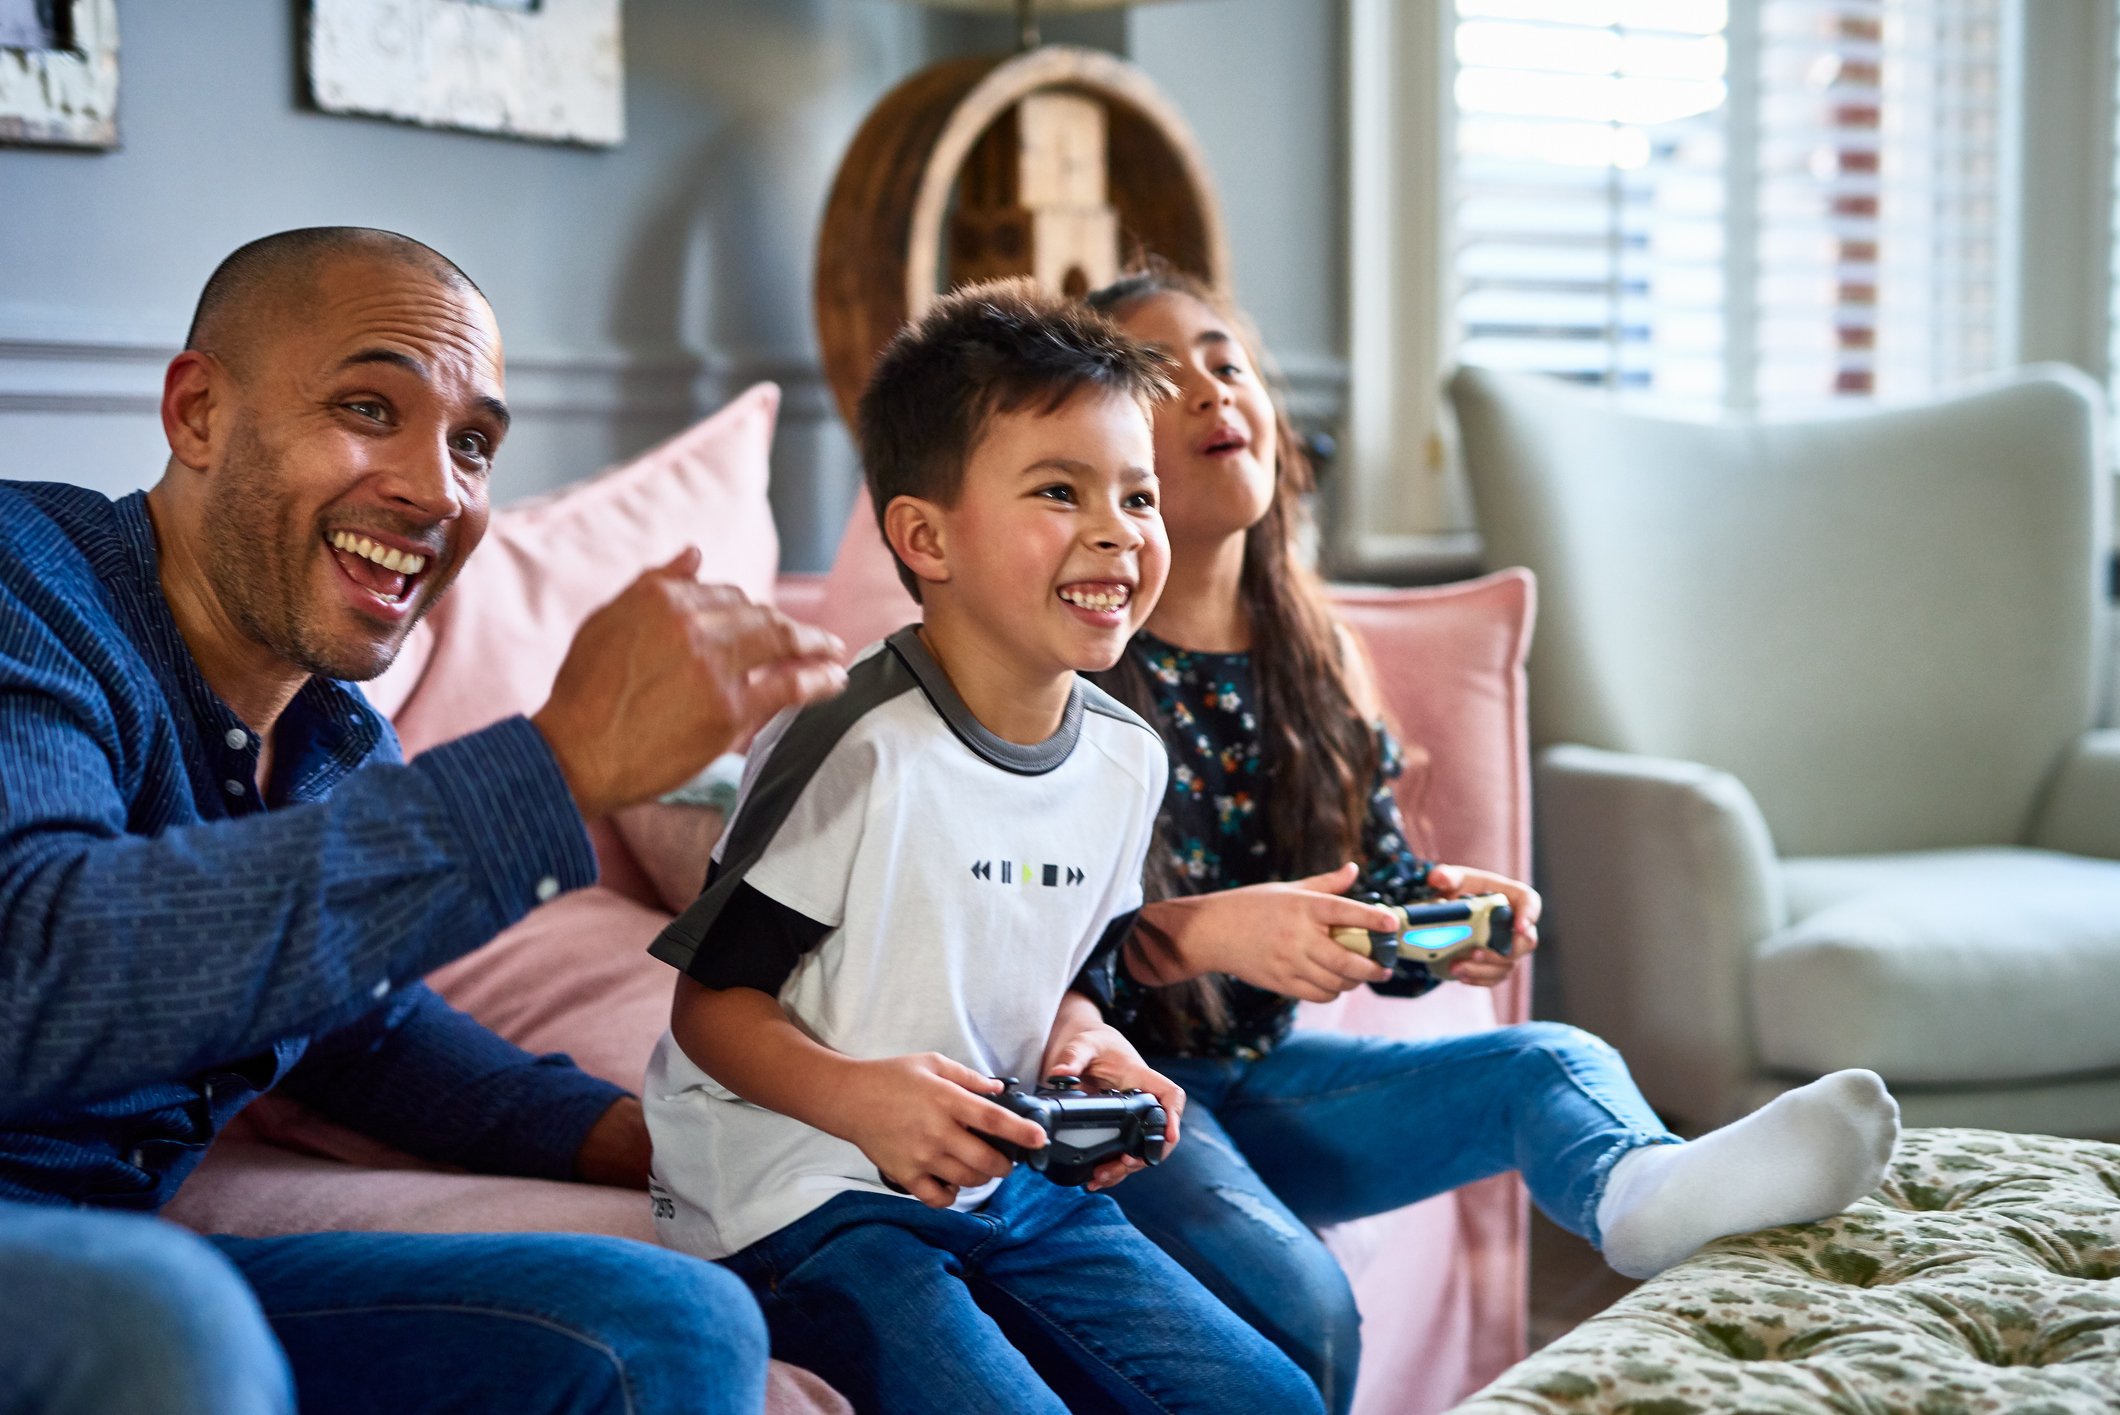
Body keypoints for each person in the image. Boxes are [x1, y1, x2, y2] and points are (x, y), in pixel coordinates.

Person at [0, 227, 849, 1415]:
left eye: (473, 444)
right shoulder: (24, 577)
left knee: (671, 1318)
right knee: (160, 1313)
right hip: (104, 1287)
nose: (436, 488)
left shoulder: (339, 738)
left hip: (124, 1261)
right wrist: (556, 766)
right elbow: (38, 964)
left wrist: (672, 1139)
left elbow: (366, 1035)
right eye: (366, 405)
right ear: (196, 412)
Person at [1082, 267, 1902, 1414]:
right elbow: (1033, 949)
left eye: (1226, 361)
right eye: (1164, 376)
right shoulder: (1080, 674)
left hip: (1264, 1081)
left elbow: (1365, 890)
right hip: (1123, 1098)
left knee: (1549, 1061)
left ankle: (1637, 1192)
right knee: (1302, 1304)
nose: (1215, 390)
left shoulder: (1316, 657)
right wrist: (1217, 934)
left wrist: (1432, 920)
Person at [640, 280, 1325, 1415]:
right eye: (1059, 491)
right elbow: (709, 1007)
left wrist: (1086, 1053)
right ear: (925, 535)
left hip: (1004, 1178)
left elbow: (1071, 981)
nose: (1117, 529)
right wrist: (861, 1101)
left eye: (1139, 496)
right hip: (796, 1198)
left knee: (1272, 1397)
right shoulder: (852, 744)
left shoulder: (1122, 759)